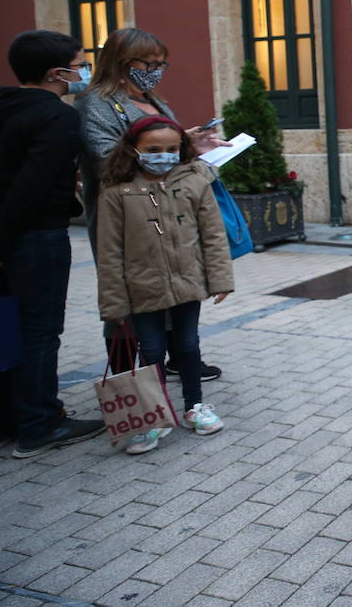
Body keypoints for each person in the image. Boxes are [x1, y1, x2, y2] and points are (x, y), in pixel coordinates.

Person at [77, 26, 226, 379]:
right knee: (128, 295)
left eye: (162, 63)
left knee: (176, 282)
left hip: (171, 212)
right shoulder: (95, 103)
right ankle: (127, 377)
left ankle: (181, 358)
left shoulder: (156, 101)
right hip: (128, 217)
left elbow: (166, 150)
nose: (156, 69)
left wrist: (189, 146)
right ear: (122, 61)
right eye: (149, 62)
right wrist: (170, 156)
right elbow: (106, 159)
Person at [0, 30, 106, 458]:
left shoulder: (4, 106)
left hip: (12, 235)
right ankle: (40, 423)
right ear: (57, 72)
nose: (84, 71)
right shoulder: (57, 118)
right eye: (80, 62)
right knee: (40, 331)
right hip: (36, 237)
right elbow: (31, 188)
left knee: (10, 326)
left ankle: (11, 416)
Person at [96, 116, 234, 455]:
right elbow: (110, 251)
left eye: (172, 149)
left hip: (187, 281)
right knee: (152, 350)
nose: (164, 155)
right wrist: (114, 304)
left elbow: (213, 235)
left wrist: (220, 279)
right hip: (142, 287)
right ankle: (154, 415)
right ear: (133, 150)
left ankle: (194, 406)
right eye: (153, 150)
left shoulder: (194, 182)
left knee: (187, 344)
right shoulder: (117, 192)